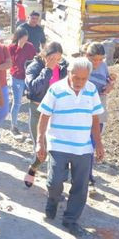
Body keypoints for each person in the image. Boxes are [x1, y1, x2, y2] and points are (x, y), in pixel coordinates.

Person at [36, 57, 105, 236]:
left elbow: (95, 119)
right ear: (69, 73)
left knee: (80, 186)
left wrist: (98, 144)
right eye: (76, 78)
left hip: (83, 147)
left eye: (84, 78)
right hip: (58, 143)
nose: (80, 82)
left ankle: (70, 219)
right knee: (55, 182)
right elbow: (44, 116)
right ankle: (53, 199)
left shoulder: (91, 90)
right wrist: (40, 141)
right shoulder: (56, 89)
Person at [23, 42, 68, 187]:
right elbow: (34, 88)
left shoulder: (62, 69)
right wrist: (47, 70)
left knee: (53, 148)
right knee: (41, 146)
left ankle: (52, 184)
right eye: (53, 58)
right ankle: (34, 167)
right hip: (38, 111)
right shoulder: (34, 67)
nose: (56, 62)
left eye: (58, 59)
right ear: (45, 55)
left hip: (55, 114)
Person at [83, 42, 116, 195]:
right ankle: (87, 178)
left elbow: (109, 81)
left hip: (100, 109)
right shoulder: (81, 66)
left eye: (100, 59)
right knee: (85, 145)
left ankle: (86, 175)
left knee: (92, 144)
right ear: (86, 56)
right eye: (93, 59)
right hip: (83, 111)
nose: (97, 63)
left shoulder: (103, 66)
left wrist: (110, 86)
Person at [8, 27, 37, 137]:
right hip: (17, 77)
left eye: (26, 38)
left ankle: (32, 128)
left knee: (32, 102)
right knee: (17, 102)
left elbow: (34, 59)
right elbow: (11, 62)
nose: (25, 41)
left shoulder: (30, 46)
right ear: (18, 37)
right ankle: (13, 126)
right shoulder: (11, 47)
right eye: (23, 39)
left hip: (28, 77)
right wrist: (19, 48)